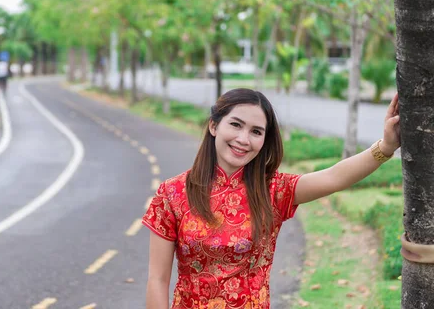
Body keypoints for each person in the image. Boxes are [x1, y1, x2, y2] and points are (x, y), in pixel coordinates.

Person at [142, 88, 401, 309]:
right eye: (235, 124)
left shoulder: (274, 190)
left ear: (264, 140)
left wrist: (386, 147)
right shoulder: (173, 193)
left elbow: (334, 178)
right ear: (213, 125)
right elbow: (158, 279)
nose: (243, 139)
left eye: (256, 131)